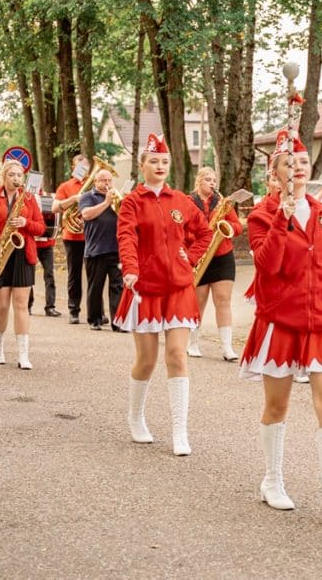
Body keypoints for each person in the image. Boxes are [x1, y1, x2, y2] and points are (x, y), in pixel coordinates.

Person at [239, 129, 322, 526]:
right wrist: (281, 220)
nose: (299, 169)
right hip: (280, 319)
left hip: (320, 319)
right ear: (274, 176)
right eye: (290, 164)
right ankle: (272, 481)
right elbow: (267, 265)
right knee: (278, 405)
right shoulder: (260, 216)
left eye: (303, 163)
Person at [113, 134, 212, 456]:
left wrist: (190, 256)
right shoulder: (132, 202)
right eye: (153, 161)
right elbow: (126, 237)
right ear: (142, 166)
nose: (159, 167)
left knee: (177, 355)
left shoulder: (181, 200)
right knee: (147, 360)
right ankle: (136, 417)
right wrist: (130, 268)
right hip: (146, 289)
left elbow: (205, 232)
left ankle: (179, 431)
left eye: (164, 162)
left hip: (180, 288)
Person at [0, 159, 45, 369]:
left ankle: (23, 354)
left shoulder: (29, 198)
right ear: (4, 176)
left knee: (21, 305)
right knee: (3, 305)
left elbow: (41, 228)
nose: (16, 179)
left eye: (19, 175)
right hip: (0, 252)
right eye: (12, 175)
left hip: (22, 253)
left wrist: (26, 223)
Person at [187, 167, 243, 361]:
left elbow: (237, 226)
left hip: (222, 255)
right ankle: (193, 342)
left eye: (214, 180)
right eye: (208, 180)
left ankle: (227, 347)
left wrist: (227, 227)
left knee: (223, 301)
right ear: (199, 181)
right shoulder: (188, 201)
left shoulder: (223, 202)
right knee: (198, 302)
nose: (212, 183)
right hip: (200, 256)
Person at [79, 168, 122, 332]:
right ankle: (94, 319)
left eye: (109, 180)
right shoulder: (87, 197)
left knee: (118, 287)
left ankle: (118, 321)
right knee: (95, 287)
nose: (107, 184)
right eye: (103, 180)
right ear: (95, 182)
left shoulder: (117, 198)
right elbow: (86, 215)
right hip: (96, 249)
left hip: (116, 249)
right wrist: (106, 203)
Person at [51, 154, 88, 324]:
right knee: (74, 274)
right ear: (73, 167)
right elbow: (55, 208)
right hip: (72, 236)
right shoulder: (65, 186)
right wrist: (73, 199)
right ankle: (74, 310)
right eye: (79, 165)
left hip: (92, 236)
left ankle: (98, 312)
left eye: (85, 165)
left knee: (95, 276)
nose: (82, 168)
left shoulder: (95, 185)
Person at [27, 189, 60, 317]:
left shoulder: (47, 196)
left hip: (46, 244)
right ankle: (27, 305)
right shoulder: (24, 196)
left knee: (49, 275)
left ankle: (50, 307)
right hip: (31, 243)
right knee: (28, 276)